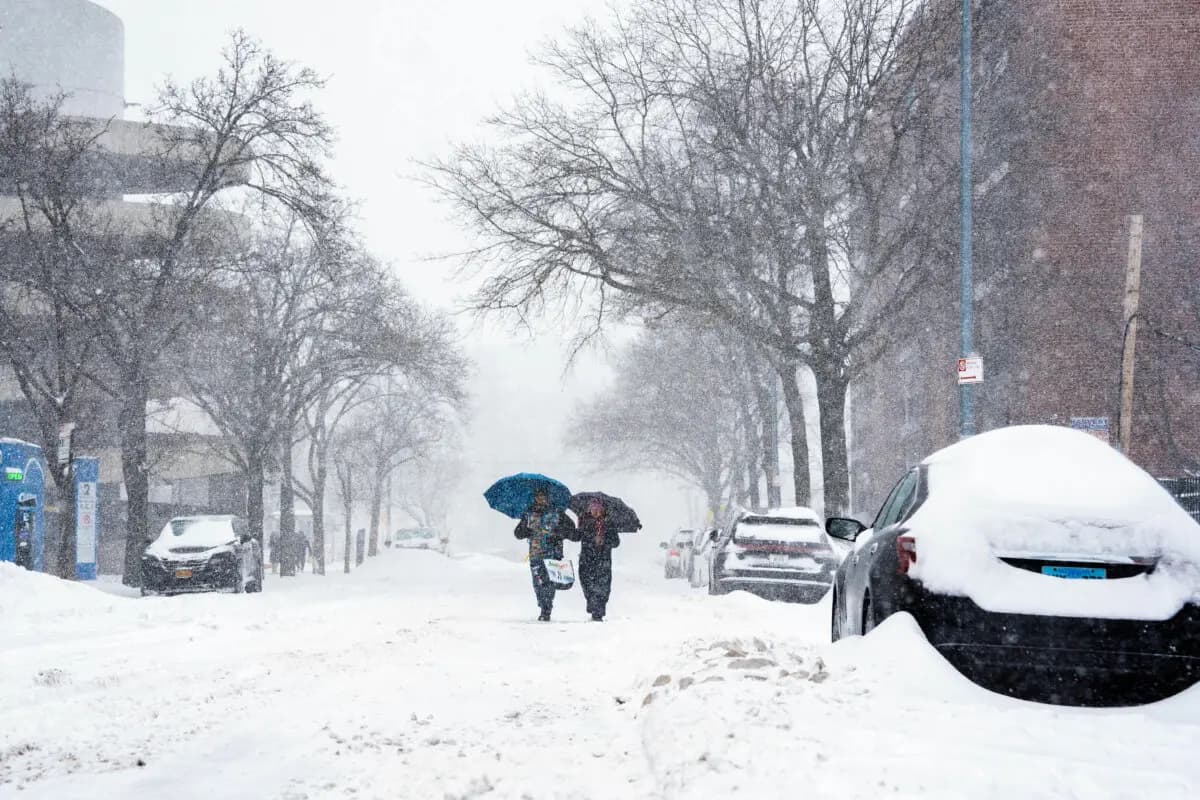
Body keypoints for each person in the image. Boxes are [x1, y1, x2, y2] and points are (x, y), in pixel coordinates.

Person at [514, 487, 577, 621]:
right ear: (535, 498)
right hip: (535, 554)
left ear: (548, 498)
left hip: (553, 554)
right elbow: (517, 533)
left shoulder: (557, 512)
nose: (541, 499)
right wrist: (526, 531)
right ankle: (542, 603)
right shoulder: (528, 513)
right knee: (538, 582)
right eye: (538, 496)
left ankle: (546, 609)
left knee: (548, 582)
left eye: (543, 496)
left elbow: (571, 530)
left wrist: (559, 534)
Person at [576, 497, 620, 621]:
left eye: (598, 509)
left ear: (603, 510)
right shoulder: (584, 521)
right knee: (587, 584)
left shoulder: (609, 524)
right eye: (592, 508)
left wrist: (604, 540)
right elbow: (576, 536)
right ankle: (592, 604)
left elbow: (616, 542)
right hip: (586, 559)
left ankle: (598, 611)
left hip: (603, 560)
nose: (595, 511)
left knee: (602, 587)